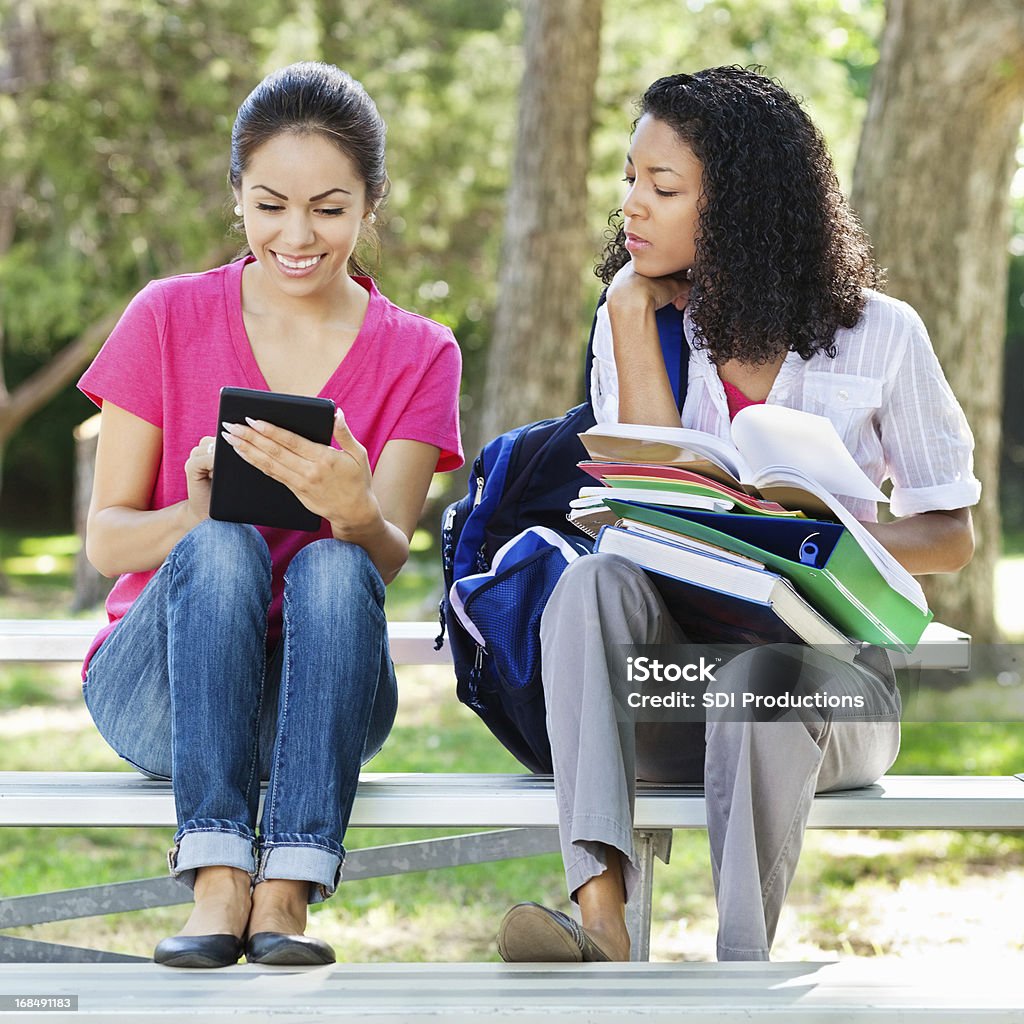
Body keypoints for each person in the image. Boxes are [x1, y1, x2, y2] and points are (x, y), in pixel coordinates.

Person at [496, 66, 979, 964]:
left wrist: (818, 537)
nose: (631, 206)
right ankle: (599, 918)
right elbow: (643, 500)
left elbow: (951, 533)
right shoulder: (632, 316)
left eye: (662, 187)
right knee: (595, 576)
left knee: (763, 676)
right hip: (669, 695)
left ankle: (740, 969)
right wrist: (632, 316)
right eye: (630, 179)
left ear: (743, 208)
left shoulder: (883, 334)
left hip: (826, 693)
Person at [78, 62, 463, 968]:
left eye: (329, 208)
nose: (296, 235)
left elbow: (384, 559)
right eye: (270, 205)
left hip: (319, 702)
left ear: (371, 204)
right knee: (219, 546)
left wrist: (356, 512)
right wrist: (194, 513)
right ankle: (217, 873)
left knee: (334, 563)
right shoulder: (166, 316)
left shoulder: (420, 352)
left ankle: (286, 887)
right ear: (238, 201)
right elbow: (106, 539)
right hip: (165, 691)